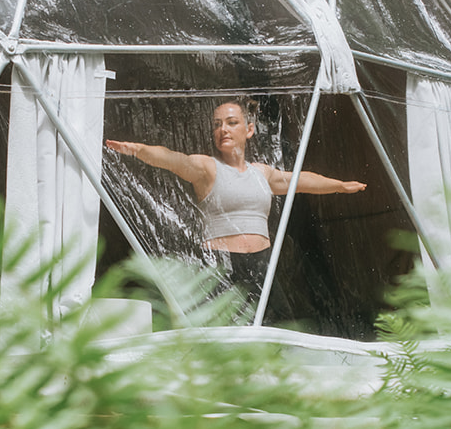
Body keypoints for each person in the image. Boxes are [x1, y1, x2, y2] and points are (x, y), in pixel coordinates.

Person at [105, 98, 366, 296]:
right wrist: (137, 149)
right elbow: (172, 159)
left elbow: (300, 180)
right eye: (217, 125)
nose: (223, 130)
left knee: (272, 329)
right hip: (221, 264)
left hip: (262, 262)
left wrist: (339, 186)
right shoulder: (206, 167)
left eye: (232, 123)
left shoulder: (261, 172)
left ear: (249, 129)